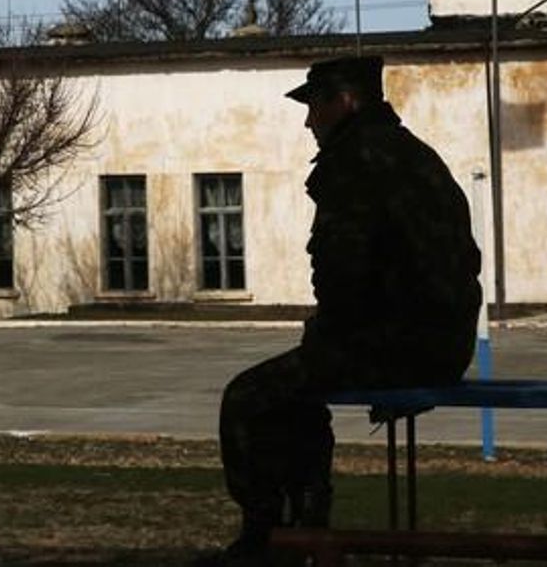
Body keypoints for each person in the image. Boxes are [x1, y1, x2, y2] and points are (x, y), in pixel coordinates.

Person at [204, 55, 482, 566]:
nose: (309, 121)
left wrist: (327, 335)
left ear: (345, 100)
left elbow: (342, 272)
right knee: (299, 398)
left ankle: (265, 539)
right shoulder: (414, 154)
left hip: (396, 347)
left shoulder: (356, 161)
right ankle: (307, 531)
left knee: (246, 398)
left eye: (315, 105)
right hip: (443, 344)